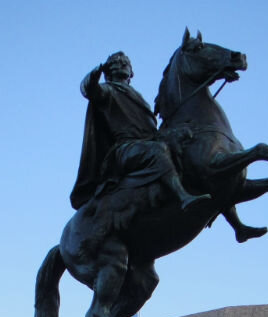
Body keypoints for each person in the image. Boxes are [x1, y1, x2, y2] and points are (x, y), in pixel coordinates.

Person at [69, 51, 210, 212]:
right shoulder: (107, 90)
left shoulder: (137, 95)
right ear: (108, 71)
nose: (121, 64)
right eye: (115, 62)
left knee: (187, 141)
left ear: (131, 72)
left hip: (149, 140)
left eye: (125, 62)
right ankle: (183, 197)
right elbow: (89, 89)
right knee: (158, 151)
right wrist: (95, 74)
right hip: (126, 148)